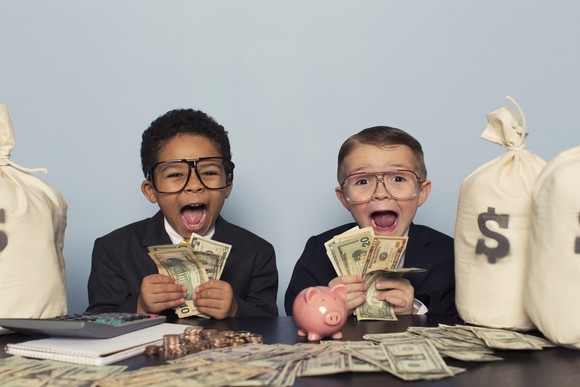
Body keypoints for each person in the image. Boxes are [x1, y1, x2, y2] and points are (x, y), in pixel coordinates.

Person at [87, 109, 278, 319]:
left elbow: (272, 326)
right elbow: (98, 320)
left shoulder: (258, 253)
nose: (194, 185)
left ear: (228, 184)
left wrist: (236, 309)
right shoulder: (113, 250)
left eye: (209, 172)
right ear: (151, 191)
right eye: (176, 174)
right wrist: (139, 306)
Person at [284, 126, 456, 317]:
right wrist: (325, 306)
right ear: (344, 198)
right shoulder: (318, 250)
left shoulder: (449, 252)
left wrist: (416, 309)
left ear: (421, 193)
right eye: (363, 181)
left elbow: (462, 321)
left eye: (398, 178)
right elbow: (292, 314)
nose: (380, 194)